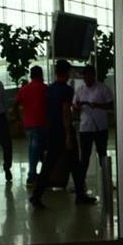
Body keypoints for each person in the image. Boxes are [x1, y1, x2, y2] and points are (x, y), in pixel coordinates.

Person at [29, 59, 94, 208]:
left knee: (51, 165)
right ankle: (79, 195)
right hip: (63, 131)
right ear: (67, 72)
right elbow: (65, 112)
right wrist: (68, 135)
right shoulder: (66, 90)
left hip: (51, 130)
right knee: (73, 164)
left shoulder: (49, 89)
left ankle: (38, 195)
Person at [73, 64, 113, 192]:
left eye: (89, 77)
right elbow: (74, 106)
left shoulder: (103, 88)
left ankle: (108, 182)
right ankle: (80, 183)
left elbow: (110, 105)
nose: (86, 79)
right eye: (84, 77)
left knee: (102, 155)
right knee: (84, 157)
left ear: (93, 76)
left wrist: (97, 105)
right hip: (85, 128)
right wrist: (77, 107)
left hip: (100, 127)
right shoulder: (80, 90)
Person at [14, 65, 48, 185]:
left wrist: (18, 119)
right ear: (40, 75)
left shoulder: (24, 89)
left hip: (28, 124)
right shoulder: (45, 88)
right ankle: (32, 175)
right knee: (37, 149)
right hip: (42, 124)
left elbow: (15, 104)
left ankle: (39, 173)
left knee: (34, 148)